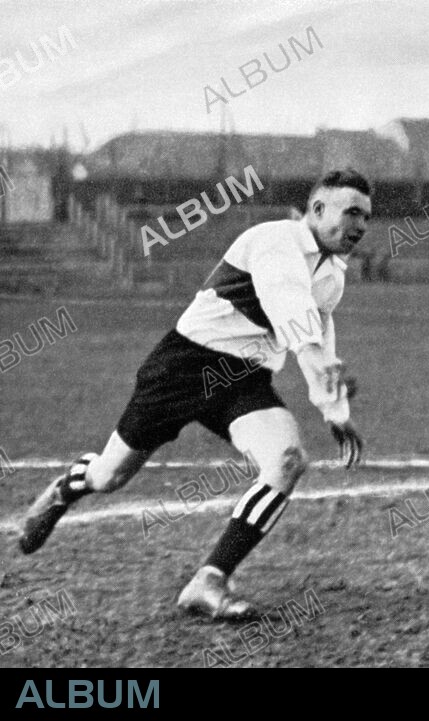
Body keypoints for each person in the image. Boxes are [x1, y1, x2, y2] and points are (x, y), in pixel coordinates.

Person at [18, 169, 370, 620]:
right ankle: (68, 487)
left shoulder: (332, 276)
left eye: (366, 216)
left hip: (243, 379)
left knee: (287, 459)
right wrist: (314, 357)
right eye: (351, 212)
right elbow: (288, 304)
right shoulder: (275, 240)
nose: (360, 226)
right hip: (183, 365)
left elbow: (320, 338)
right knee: (109, 477)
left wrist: (334, 411)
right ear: (318, 210)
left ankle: (208, 581)